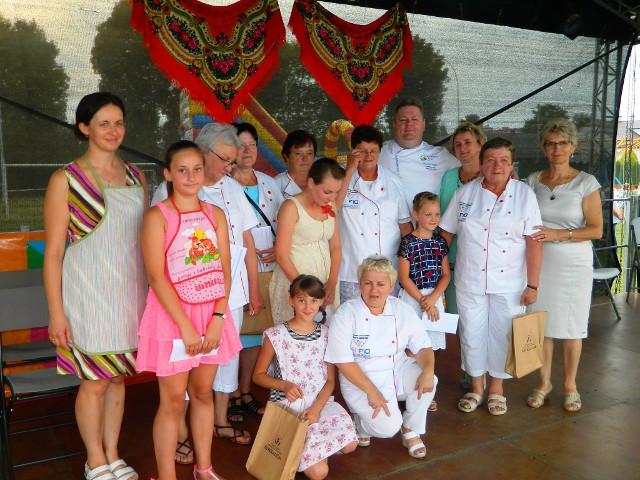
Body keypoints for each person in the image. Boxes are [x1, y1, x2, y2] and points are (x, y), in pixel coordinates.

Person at [44, 92, 146, 480]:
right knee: (94, 382)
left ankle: (113, 454)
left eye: (118, 123)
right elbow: (54, 253)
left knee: (118, 378)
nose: (113, 131)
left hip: (129, 297)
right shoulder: (66, 179)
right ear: (84, 128)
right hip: (87, 297)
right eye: (104, 123)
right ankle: (95, 460)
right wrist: (56, 313)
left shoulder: (137, 176)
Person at [138, 141, 241, 480]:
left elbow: (225, 271)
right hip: (173, 319)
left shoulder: (215, 214)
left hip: (210, 315)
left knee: (201, 393)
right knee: (171, 401)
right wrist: (184, 326)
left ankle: (204, 468)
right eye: (182, 170)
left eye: (197, 169)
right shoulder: (157, 216)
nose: (191, 176)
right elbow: (156, 277)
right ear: (168, 174)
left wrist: (218, 318)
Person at [152, 123, 260, 448]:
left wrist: (253, 287)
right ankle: (182, 432)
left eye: (232, 161)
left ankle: (220, 419)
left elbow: (247, 239)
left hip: (227, 294)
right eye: (224, 159)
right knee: (185, 365)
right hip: (183, 300)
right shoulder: (168, 193)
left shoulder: (232, 188)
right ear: (204, 151)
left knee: (223, 358)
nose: (229, 167)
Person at [440, 137, 542, 416]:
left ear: (512, 165)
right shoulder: (465, 194)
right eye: (491, 160)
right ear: (482, 163)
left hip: (510, 283)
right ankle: (476, 387)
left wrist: (533, 284)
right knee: (471, 332)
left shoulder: (524, 195)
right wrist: (435, 270)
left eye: (504, 160)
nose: (497, 166)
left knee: (503, 334)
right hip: (470, 279)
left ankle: (496, 389)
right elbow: (446, 234)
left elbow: (534, 241)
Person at [325, 256, 437, 459]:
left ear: (391, 286)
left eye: (381, 284)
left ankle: (411, 428)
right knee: (388, 428)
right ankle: (361, 423)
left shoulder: (401, 309)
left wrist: (428, 371)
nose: (374, 290)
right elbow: (342, 361)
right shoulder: (346, 314)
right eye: (368, 283)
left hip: (397, 369)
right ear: (360, 284)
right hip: (362, 378)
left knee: (431, 379)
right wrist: (371, 391)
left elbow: (422, 346)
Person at [525, 119, 603, 412]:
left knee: (572, 326)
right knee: (542, 324)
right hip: (539, 262)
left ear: (573, 147)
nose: (556, 149)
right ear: (544, 148)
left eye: (562, 143)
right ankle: (543, 383)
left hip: (574, 264)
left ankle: (570, 386)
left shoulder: (586, 182)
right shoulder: (533, 180)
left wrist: (558, 234)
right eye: (550, 143)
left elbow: (596, 230)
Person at [253, 275, 358, 480]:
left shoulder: (327, 334)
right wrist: (283, 385)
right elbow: (258, 376)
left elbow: (330, 381)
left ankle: (312, 448)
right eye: (301, 300)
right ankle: (308, 451)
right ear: (291, 300)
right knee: (319, 473)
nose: (308, 307)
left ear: (321, 302)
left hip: (319, 405)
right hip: (289, 409)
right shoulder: (275, 335)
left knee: (350, 445)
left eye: (314, 300)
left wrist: (316, 409)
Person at [227, 122, 284, 422]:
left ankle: (245, 391)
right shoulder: (222, 185)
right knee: (233, 334)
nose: (247, 151)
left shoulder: (269, 183)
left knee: (254, 335)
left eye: (252, 144)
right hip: (235, 270)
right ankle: (229, 394)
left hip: (267, 269)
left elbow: (285, 221)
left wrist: (279, 248)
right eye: (241, 145)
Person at [336, 124, 412, 303]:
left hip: (387, 272)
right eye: (363, 151)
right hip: (351, 272)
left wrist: (411, 266)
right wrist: (349, 171)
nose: (369, 156)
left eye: (373, 151)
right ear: (353, 151)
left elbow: (405, 227)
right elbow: (331, 210)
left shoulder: (393, 181)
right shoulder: (340, 178)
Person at [270, 158, 344, 322]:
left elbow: (336, 246)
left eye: (336, 192)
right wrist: (305, 292)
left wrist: (332, 282)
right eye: (327, 192)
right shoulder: (291, 207)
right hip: (297, 283)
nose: (332, 197)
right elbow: (281, 255)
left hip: (326, 281)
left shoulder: (331, 205)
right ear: (311, 183)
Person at [439, 122, 487, 314]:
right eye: (458, 144)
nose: (462, 148)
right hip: (449, 261)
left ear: (480, 144)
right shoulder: (449, 177)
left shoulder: (491, 177)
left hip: (479, 263)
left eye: (468, 142)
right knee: (452, 316)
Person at [378, 98, 459, 208]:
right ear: (394, 124)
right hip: (386, 218)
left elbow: (469, 171)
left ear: (423, 124)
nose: (409, 124)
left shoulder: (441, 156)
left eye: (414, 119)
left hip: (427, 219)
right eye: (403, 120)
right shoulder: (377, 152)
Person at [398, 192, 451, 351]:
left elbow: (446, 275)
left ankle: (430, 369)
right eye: (428, 214)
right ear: (415, 215)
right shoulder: (407, 243)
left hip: (435, 296)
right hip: (413, 297)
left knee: (432, 345)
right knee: (412, 346)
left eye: (437, 214)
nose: (434, 218)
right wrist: (424, 301)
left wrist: (433, 299)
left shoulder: (440, 242)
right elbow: (404, 278)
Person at [273, 129, 317, 198]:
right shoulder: (275, 186)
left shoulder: (324, 180)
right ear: (286, 157)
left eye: (309, 153)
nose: (305, 158)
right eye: (298, 153)